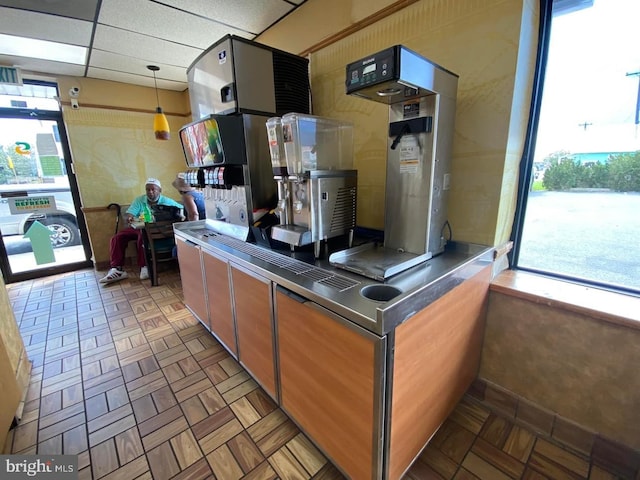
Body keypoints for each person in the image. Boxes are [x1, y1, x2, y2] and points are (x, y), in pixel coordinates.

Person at [99, 178, 183, 284]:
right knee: (117, 238)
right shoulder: (139, 200)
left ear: (159, 190)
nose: (150, 192)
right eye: (148, 189)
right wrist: (130, 217)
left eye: (153, 189)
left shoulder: (166, 201)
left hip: (157, 230)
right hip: (139, 227)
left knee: (142, 237)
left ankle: (144, 266)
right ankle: (117, 268)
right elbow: (131, 213)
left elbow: (181, 209)